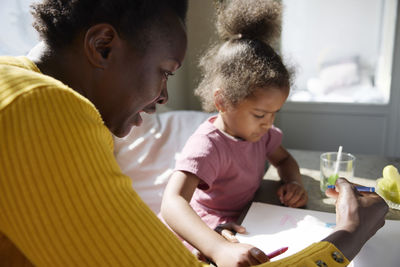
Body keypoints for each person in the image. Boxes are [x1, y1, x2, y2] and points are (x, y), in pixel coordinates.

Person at [0, 0, 388, 266]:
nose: (164, 97)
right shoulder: (35, 105)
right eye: (166, 71)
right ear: (102, 47)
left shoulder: (23, 87)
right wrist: (351, 232)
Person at [161, 0, 307, 264]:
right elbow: (172, 203)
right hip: (206, 230)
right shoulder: (208, 146)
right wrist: (216, 246)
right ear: (222, 102)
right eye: (260, 115)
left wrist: (293, 182)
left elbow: (285, 160)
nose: (268, 123)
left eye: (274, 113)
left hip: (249, 218)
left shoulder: (261, 135)